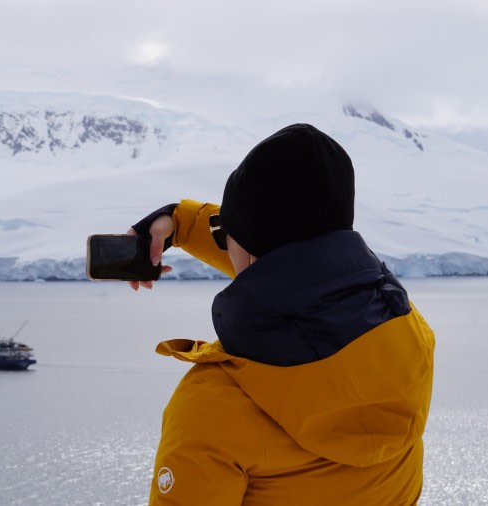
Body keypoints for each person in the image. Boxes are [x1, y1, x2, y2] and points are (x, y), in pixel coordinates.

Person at [127, 123, 435, 505]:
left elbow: (274, 259)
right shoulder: (404, 329)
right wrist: (181, 221)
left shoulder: (214, 407)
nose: (224, 241)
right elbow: (300, 262)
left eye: (224, 233)